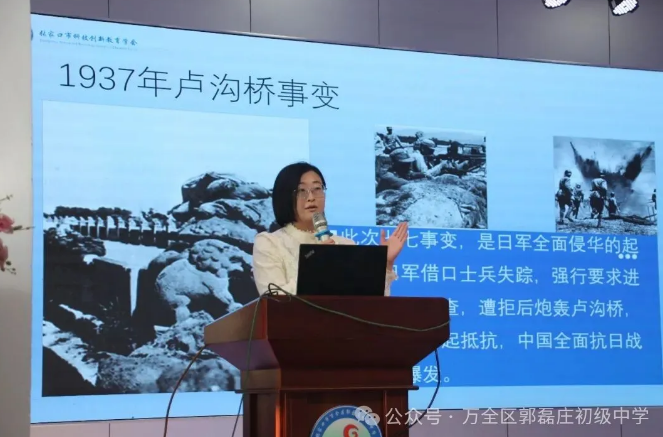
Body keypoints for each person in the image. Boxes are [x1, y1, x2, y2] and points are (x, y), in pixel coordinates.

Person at [252, 162, 408, 296]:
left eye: (317, 189)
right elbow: (272, 300)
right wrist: (315, 267)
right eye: (301, 191)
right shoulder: (270, 243)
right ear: (285, 196)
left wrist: (386, 264)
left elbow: (371, 304)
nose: (311, 197)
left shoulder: (346, 245)